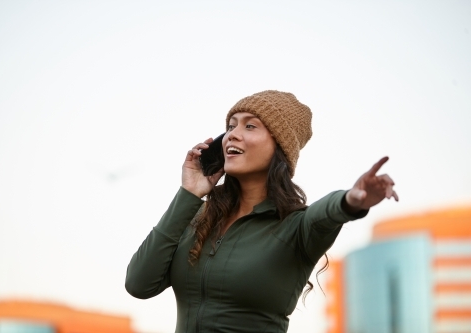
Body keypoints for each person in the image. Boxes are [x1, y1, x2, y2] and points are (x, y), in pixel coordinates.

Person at [125, 90, 398, 333]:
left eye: (250, 126)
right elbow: (139, 283)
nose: (233, 133)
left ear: (279, 147)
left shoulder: (295, 227)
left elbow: (325, 213)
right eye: (231, 126)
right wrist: (189, 195)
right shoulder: (199, 218)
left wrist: (351, 199)